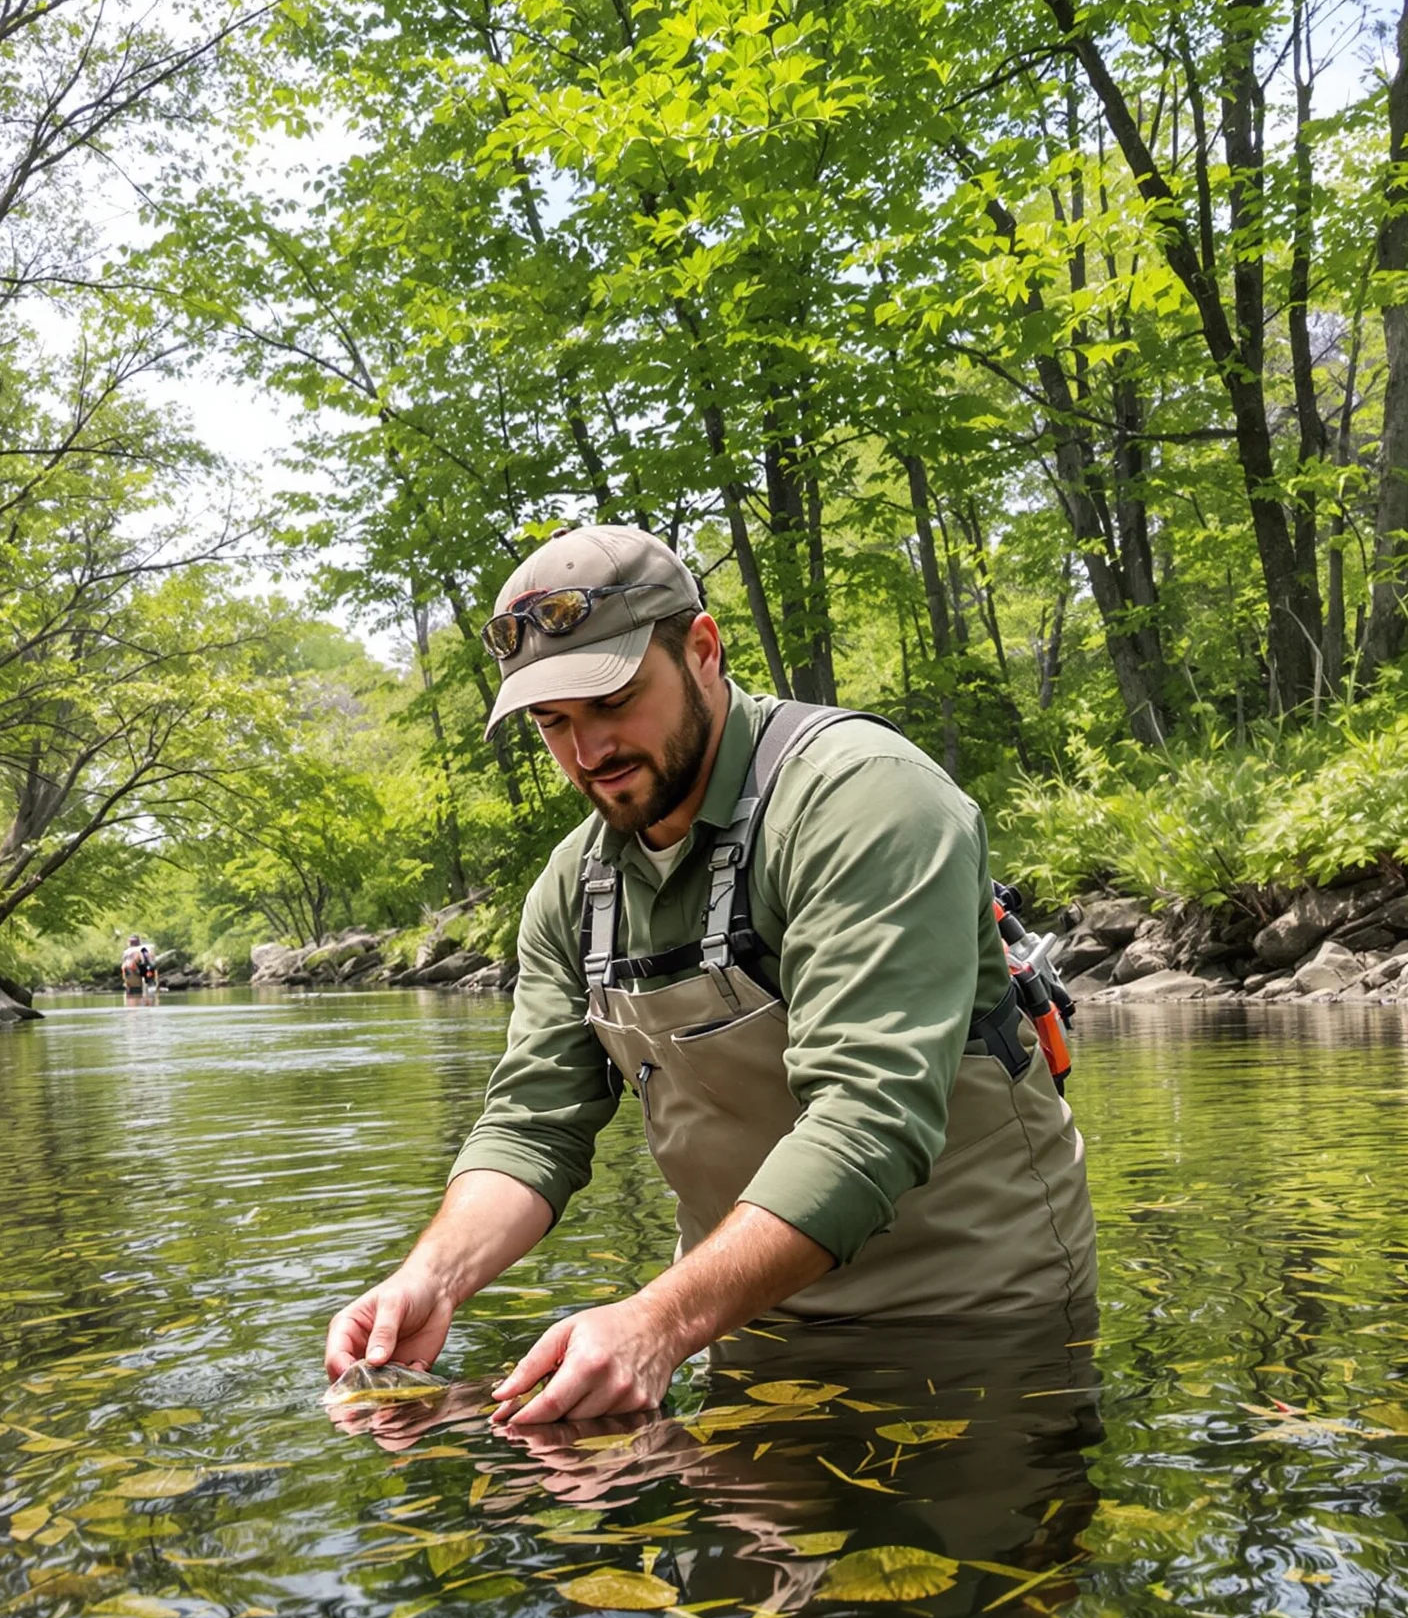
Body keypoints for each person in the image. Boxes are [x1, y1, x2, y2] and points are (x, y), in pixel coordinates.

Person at [324, 523, 1095, 1425]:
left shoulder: (866, 799)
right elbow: (535, 1124)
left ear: (702, 650)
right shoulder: (572, 890)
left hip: (975, 1330)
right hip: (742, 1324)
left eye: (611, 700)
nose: (587, 752)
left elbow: (869, 1115)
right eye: (552, 723)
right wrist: (432, 1276)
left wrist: (656, 1320)